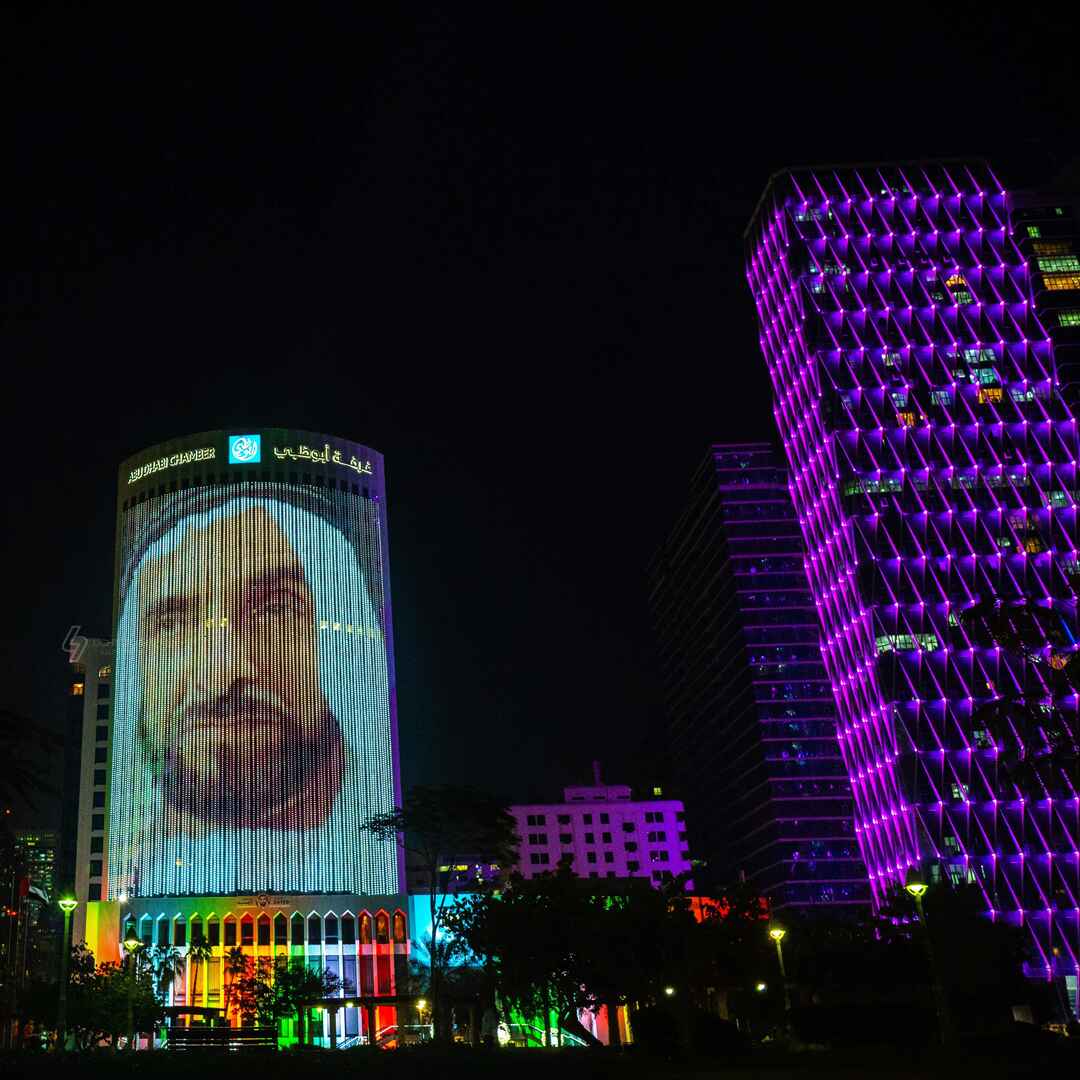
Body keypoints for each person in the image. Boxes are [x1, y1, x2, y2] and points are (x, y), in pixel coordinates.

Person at [109, 485, 398, 896]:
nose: (223, 671)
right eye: (173, 624)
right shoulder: (129, 870)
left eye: (276, 608)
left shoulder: (371, 862)